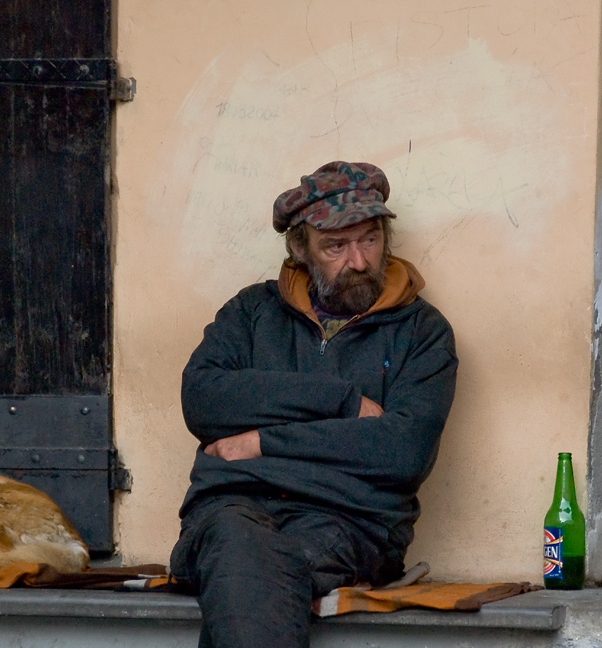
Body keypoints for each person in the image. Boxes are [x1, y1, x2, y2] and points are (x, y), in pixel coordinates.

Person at [168, 161, 458, 648]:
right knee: (239, 545)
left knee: (253, 572)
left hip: (348, 523)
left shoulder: (423, 333)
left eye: (370, 240)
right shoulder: (250, 313)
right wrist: (341, 401)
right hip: (232, 507)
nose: (359, 261)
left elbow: (402, 451)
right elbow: (203, 399)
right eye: (335, 246)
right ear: (300, 249)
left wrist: (261, 442)